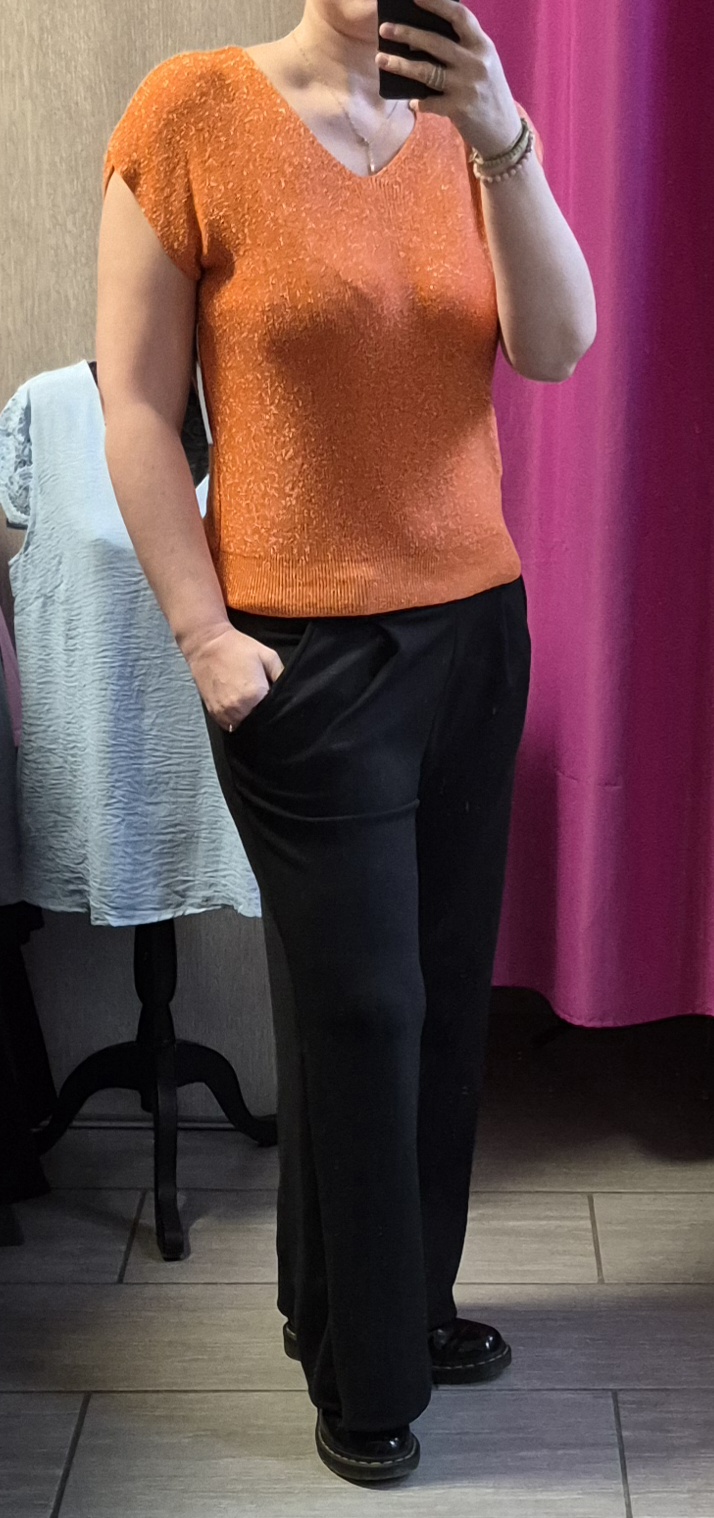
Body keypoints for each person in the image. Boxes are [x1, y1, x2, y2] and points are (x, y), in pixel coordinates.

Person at [97, 0, 596, 1486]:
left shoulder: (470, 128)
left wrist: (502, 135)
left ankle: (386, 1307)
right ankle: (366, 1369)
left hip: (473, 635)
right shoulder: (193, 113)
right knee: (364, 1011)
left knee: (432, 1003)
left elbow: (558, 345)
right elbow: (136, 403)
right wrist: (204, 635)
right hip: (300, 656)